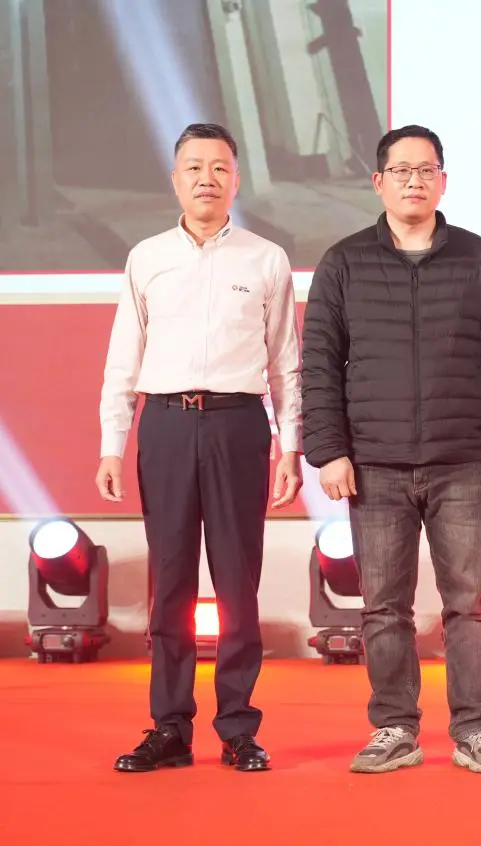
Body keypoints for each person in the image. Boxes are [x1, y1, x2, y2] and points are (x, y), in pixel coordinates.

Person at [302, 125, 481, 775]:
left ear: (443, 181)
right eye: (400, 171)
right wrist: (329, 451)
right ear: (378, 182)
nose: (413, 181)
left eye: (426, 170)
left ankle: (476, 729)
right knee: (383, 608)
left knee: (471, 603)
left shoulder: (480, 259)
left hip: (462, 462)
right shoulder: (344, 262)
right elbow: (319, 364)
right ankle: (395, 727)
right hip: (374, 464)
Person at [98, 123, 302, 773]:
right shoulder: (147, 257)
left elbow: (286, 363)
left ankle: (238, 727)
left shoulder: (266, 259)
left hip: (238, 425)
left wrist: (290, 447)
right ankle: (170, 726)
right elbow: (123, 357)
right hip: (164, 424)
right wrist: (111, 443)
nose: (206, 178)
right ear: (175, 179)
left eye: (219, 167)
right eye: (193, 167)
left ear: (236, 180)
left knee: (238, 583)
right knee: (170, 583)